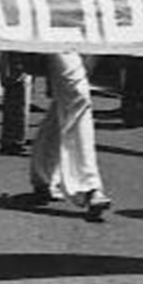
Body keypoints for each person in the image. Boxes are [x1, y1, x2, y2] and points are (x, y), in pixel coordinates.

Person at [27, 52, 113, 221]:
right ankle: (88, 187)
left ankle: (43, 173)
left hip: (87, 33)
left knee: (67, 98)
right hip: (57, 32)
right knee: (77, 96)